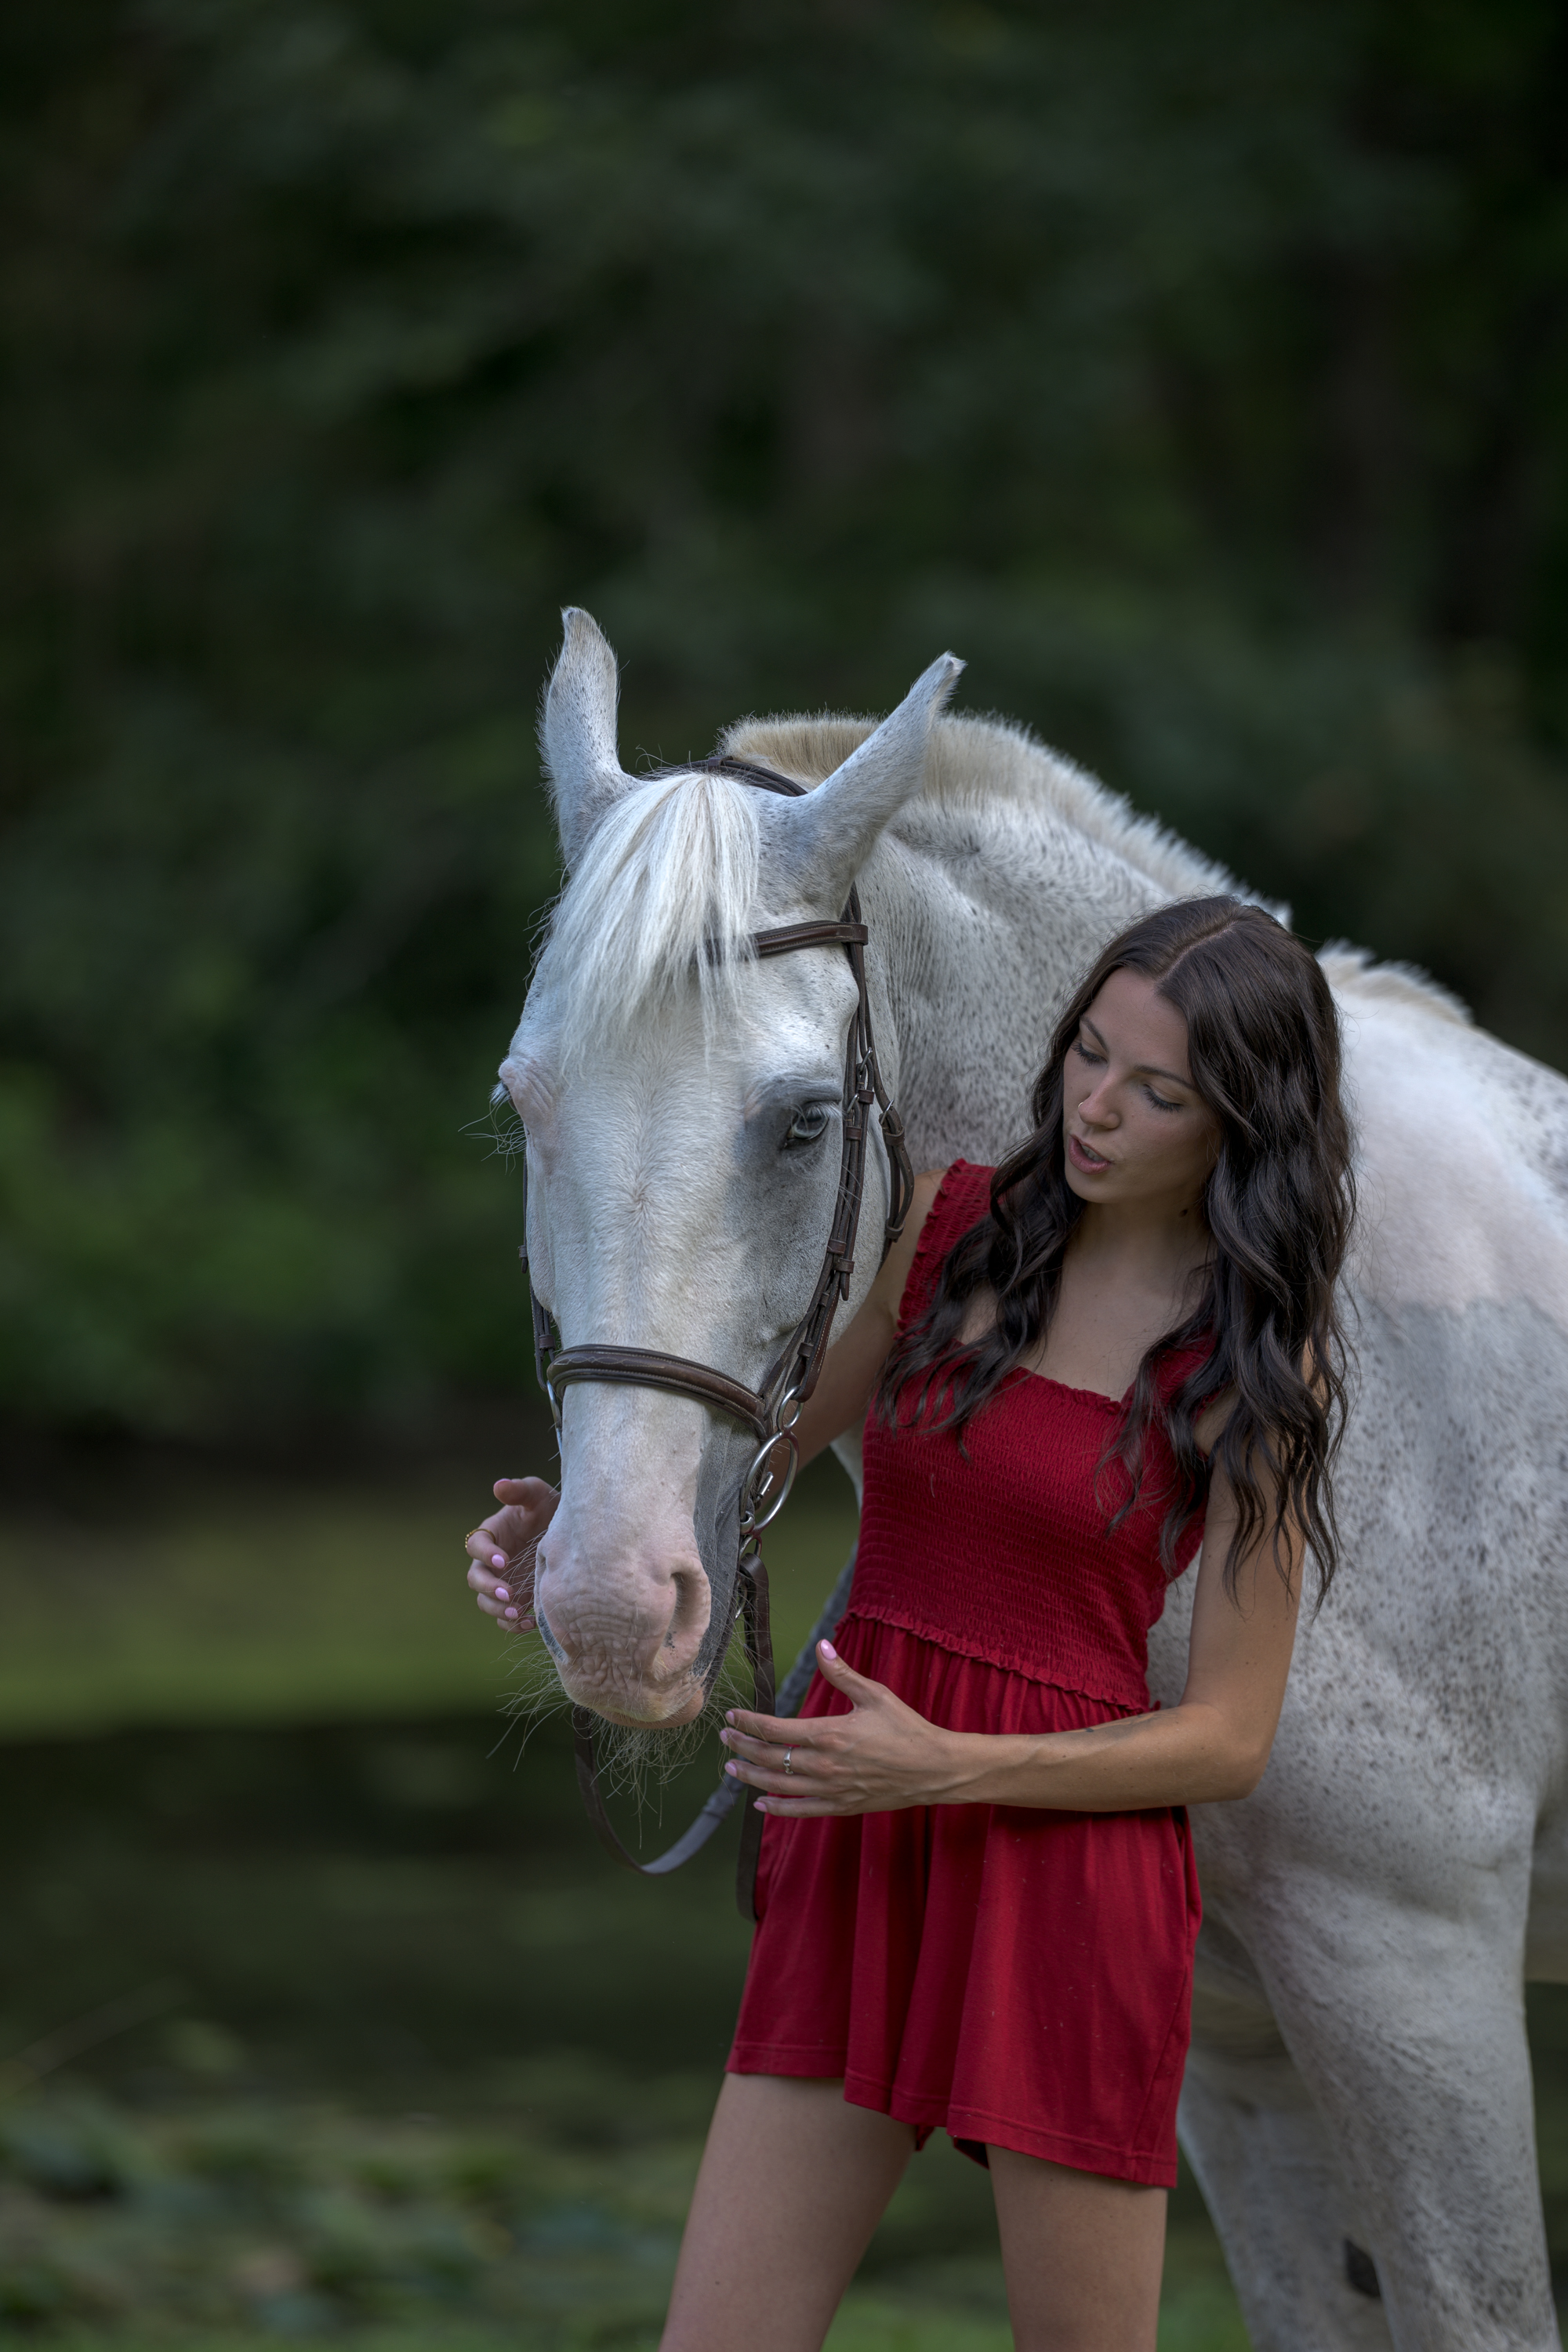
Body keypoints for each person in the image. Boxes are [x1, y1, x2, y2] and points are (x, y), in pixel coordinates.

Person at [464, 895, 1355, 2352]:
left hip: (1067, 1882)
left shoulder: (1251, 1356)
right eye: (1089, 1052)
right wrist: (577, 1539)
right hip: (859, 1835)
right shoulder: (947, 1233)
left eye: (1157, 1091)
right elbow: (750, 1474)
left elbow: (1229, 1737)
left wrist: (945, 1766)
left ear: (1239, 1126)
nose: (1095, 1107)